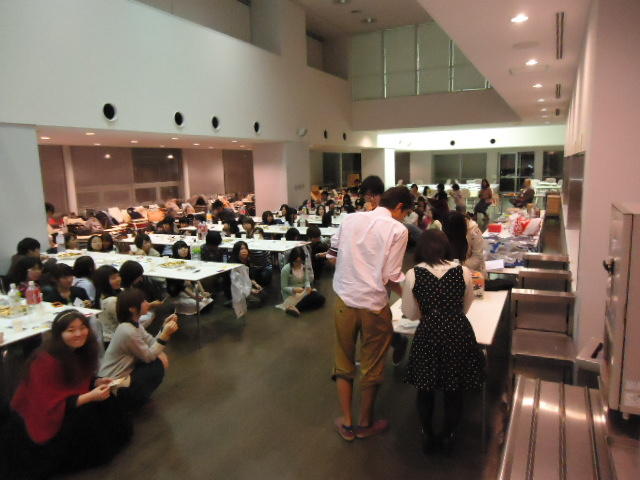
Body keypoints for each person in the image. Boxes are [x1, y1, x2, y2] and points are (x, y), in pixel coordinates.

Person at [0, 310, 132, 479]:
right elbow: (46, 403)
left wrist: (96, 382)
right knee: (87, 413)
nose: (78, 333)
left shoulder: (80, 350)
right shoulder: (44, 361)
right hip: (41, 413)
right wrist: (90, 396)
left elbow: (78, 380)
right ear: (59, 334)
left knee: (107, 400)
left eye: (82, 328)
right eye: (71, 330)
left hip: (64, 401)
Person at [328, 186, 412, 441]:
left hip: (344, 300)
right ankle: (365, 423)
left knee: (343, 360)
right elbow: (392, 275)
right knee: (372, 364)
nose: (404, 218)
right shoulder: (398, 230)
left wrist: (353, 267)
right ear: (399, 207)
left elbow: (332, 256)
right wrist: (412, 298)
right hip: (374, 306)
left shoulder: (350, 219)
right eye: (405, 213)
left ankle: (347, 422)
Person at [401, 230, 484, 454]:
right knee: (454, 389)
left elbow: (410, 313)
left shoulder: (413, 274)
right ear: (446, 247)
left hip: (428, 333)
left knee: (425, 389)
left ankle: (428, 435)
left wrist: (430, 315)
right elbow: (466, 306)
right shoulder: (463, 271)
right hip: (458, 332)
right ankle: (448, 436)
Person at [98, 288, 179, 410]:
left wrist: (163, 328)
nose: (147, 303)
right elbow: (148, 356)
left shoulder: (133, 325)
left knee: (159, 359)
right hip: (112, 381)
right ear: (132, 309)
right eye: (143, 301)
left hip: (121, 374)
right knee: (157, 365)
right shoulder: (128, 330)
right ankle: (129, 399)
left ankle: (133, 395)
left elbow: (151, 342)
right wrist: (164, 336)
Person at [165, 241, 211, 315]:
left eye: (185, 247)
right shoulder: (173, 264)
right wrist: (194, 296)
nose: (184, 249)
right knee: (201, 304)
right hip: (178, 292)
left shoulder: (187, 261)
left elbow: (195, 277)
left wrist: (203, 292)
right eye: (180, 248)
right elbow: (181, 285)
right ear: (175, 250)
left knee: (207, 300)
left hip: (188, 289)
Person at [279, 247, 325, 317]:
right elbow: (283, 287)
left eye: (300, 261)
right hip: (291, 295)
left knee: (321, 299)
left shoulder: (303, 267)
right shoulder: (286, 269)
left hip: (302, 292)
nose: (298, 263)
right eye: (296, 261)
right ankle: (294, 306)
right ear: (292, 259)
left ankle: (295, 308)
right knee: (313, 298)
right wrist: (294, 289)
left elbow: (306, 280)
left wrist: (308, 286)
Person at [443, 212, 487, 278]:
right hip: (453, 272)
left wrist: (458, 267)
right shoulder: (448, 230)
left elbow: (477, 258)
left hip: (473, 273)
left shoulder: (474, 232)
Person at [228, 241, 265, 308]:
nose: (244, 251)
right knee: (257, 302)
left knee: (264, 295)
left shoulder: (246, 260)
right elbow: (236, 283)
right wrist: (250, 290)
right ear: (237, 251)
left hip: (245, 285)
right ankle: (234, 302)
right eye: (241, 249)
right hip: (235, 289)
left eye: (245, 248)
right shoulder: (233, 264)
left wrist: (256, 284)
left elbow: (249, 276)